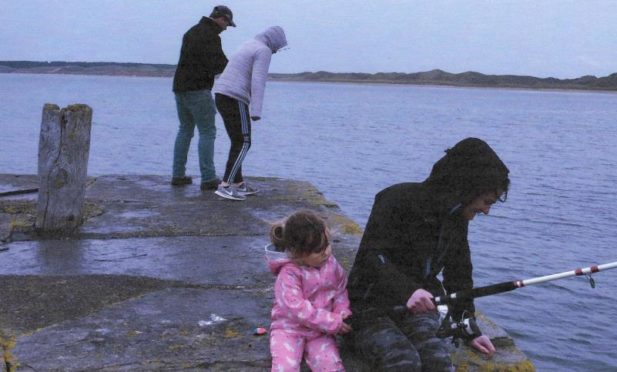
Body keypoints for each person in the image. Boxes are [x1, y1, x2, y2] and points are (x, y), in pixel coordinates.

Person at [346, 137, 509, 371]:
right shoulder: (394, 199)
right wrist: (408, 291)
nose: (486, 210)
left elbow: (459, 274)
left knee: (438, 361)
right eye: (486, 201)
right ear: (467, 188)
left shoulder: (456, 220)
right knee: (403, 361)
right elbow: (372, 256)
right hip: (367, 307)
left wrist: (467, 327)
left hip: (420, 311)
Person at [265, 209, 352, 371]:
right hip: (289, 328)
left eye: (327, 245)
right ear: (298, 253)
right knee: (285, 367)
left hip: (320, 332)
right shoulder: (289, 274)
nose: (326, 252)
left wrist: (342, 310)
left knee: (331, 365)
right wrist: (332, 321)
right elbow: (297, 309)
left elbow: (340, 288)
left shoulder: (331, 265)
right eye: (319, 250)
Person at [213, 26, 287, 201]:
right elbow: (258, 80)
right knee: (244, 141)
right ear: (274, 41)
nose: (277, 51)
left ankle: (238, 183)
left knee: (237, 140)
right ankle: (225, 185)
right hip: (234, 97)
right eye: (278, 46)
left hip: (221, 94)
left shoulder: (249, 43)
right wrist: (256, 111)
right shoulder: (264, 50)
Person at [171, 5, 235, 190]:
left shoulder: (191, 32)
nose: (226, 28)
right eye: (227, 24)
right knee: (208, 132)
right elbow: (219, 65)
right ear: (221, 19)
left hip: (180, 88)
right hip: (198, 89)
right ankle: (208, 177)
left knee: (184, 130)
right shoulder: (211, 37)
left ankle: (178, 175)